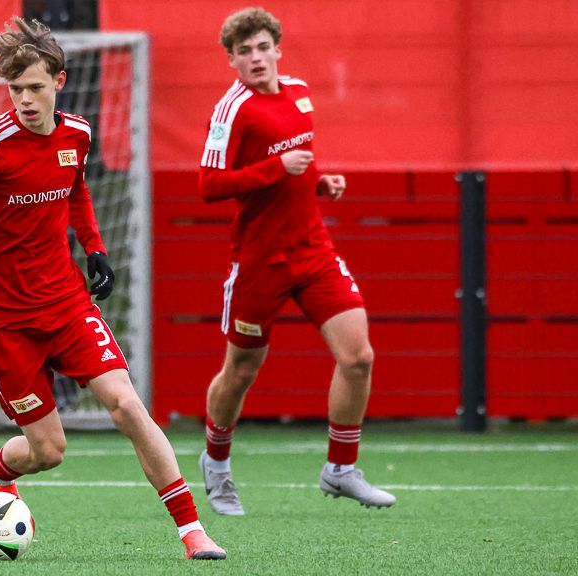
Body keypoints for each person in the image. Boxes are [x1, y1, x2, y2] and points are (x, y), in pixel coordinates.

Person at [0, 17, 226, 560]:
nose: (25, 99)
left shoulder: (77, 135)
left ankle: (192, 531)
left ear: (59, 81)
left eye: (34, 87)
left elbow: (76, 192)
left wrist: (95, 248)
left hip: (66, 302)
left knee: (127, 405)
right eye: (15, 89)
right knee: (48, 451)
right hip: (5, 321)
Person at [196, 7, 396, 515]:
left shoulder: (300, 92)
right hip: (259, 263)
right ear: (232, 60)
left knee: (358, 357)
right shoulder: (231, 110)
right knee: (241, 370)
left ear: (277, 50)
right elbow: (209, 185)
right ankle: (216, 464)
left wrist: (318, 181)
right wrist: (276, 167)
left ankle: (341, 470)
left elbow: (298, 161)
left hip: (313, 251)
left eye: (263, 48)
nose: (256, 58)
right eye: (244, 52)